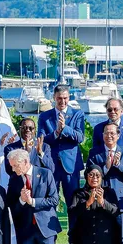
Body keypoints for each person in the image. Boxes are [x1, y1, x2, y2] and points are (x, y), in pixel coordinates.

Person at [39, 84, 86, 234]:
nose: (62, 102)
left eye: (65, 98)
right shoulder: (45, 117)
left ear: (69, 98)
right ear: (54, 98)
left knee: (73, 202)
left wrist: (65, 128)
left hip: (70, 166)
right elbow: (42, 139)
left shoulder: (77, 114)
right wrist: (56, 132)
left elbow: (80, 137)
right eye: (59, 98)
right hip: (50, 165)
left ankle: (73, 237)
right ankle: (50, 234)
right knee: (49, 200)